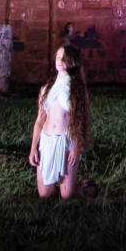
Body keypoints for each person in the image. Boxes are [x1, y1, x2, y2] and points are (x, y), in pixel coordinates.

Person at [29, 45, 91, 198]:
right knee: (45, 194)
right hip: (47, 140)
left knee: (67, 195)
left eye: (64, 57)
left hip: (67, 140)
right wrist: (33, 147)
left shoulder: (77, 88)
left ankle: (82, 186)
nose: (60, 60)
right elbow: (39, 119)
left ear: (72, 61)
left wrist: (77, 147)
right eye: (57, 57)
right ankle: (69, 184)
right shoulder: (46, 89)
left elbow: (82, 119)